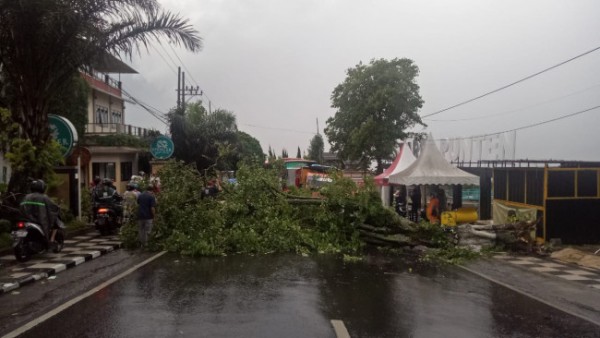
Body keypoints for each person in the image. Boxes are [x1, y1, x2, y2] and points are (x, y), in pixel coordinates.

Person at [20, 179, 60, 244]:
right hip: (40, 220)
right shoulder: (44, 197)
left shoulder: (26, 196)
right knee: (53, 224)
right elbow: (53, 206)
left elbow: (21, 207)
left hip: (26, 219)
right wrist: (57, 207)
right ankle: (50, 241)